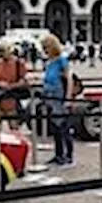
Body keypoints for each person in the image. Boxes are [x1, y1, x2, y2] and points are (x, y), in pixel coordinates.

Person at [41, 34, 75, 166]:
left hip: (59, 95)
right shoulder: (49, 62)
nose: (45, 50)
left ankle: (68, 155)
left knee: (63, 126)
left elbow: (69, 79)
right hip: (49, 95)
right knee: (55, 127)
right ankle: (58, 154)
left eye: (46, 47)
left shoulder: (62, 60)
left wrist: (68, 98)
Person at [0, 41, 30, 129]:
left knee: (14, 126)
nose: (2, 54)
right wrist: (0, 84)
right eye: (0, 52)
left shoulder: (18, 63)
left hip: (12, 100)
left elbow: (24, 80)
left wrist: (11, 86)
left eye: (3, 51)